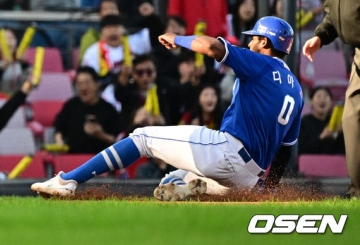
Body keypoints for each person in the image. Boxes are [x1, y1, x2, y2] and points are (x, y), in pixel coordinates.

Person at [32, 16, 303, 200]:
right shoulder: (296, 89)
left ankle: (67, 181)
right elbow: (285, 149)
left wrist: (180, 39)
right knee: (170, 183)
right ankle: (198, 188)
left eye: (254, 38)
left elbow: (211, 46)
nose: (250, 42)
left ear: (265, 42)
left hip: (228, 152)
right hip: (249, 174)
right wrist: (269, 187)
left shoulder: (260, 63)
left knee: (142, 138)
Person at [303, 0, 360, 198]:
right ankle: (357, 191)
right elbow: (334, 13)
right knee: (351, 120)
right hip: (358, 56)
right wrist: (321, 36)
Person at [53, 67, 121, 154]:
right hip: (73, 158)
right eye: (79, 84)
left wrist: (101, 135)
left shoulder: (109, 110)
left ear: (97, 85)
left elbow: (117, 142)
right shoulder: (71, 105)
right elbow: (58, 128)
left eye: (87, 83)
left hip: (100, 160)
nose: (83, 88)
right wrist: (59, 142)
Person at [0, 27, 30, 96]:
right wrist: (1, 69)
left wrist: (24, 65)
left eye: (12, 38)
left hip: (15, 103)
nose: (9, 42)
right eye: (5, 38)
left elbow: (31, 85)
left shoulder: (21, 63)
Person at [298, 86, 345, 155]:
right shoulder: (305, 122)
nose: (322, 99)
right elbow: (301, 149)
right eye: (318, 96)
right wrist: (321, 137)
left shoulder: (336, 121)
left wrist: (342, 133)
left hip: (335, 162)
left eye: (326, 96)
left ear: (331, 102)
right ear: (311, 101)